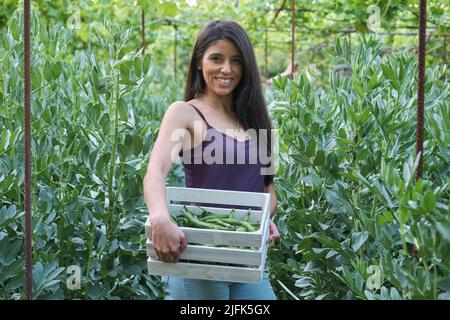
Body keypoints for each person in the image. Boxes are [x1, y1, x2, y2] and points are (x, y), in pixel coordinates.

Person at [143, 20, 284, 300]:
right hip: (199, 258)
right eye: (216, 59)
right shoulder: (185, 113)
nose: (226, 69)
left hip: (247, 259)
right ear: (199, 62)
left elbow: (268, 191)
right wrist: (160, 217)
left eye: (236, 61)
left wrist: (264, 218)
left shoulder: (257, 121)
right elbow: (155, 171)